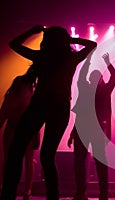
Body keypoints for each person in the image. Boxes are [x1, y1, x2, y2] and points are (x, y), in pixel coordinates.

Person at [0, 25, 97, 200]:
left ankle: (8, 194)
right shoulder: (70, 58)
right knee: (47, 156)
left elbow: (13, 44)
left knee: (17, 150)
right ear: (63, 41)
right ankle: (53, 197)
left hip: (40, 105)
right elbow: (92, 45)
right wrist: (70, 40)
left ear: (47, 42)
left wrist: (31, 31)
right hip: (59, 108)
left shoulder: (42, 57)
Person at [67, 52, 115, 200]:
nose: (94, 78)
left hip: (89, 128)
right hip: (92, 128)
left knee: (82, 161)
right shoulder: (99, 90)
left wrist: (90, 60)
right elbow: (113, 78)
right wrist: (106, 62)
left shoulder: (90, 89)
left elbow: (83, 76)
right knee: (90, 161)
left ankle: (85, 193)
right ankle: (98, 193)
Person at [0, 73, 40, 200]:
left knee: (25, 161)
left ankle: (24, 190)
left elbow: (2, 117)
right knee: (12, 160)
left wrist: (36, 136)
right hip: (16, 130)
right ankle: (12, 188)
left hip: (24, 130)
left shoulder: (28, 98)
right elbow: (2, 117)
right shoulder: (13, 98)